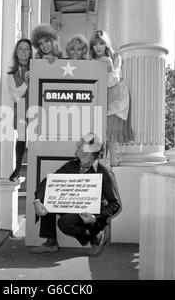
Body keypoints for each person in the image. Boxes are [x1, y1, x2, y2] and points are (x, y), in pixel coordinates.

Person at [30, 133, 121, 256]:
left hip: (92, 214)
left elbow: (115, 204)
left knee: (64, 222)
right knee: (47, 197)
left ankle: (97, 235)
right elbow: (48, 182)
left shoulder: (104, 173)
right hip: (72, 206)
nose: (77, 144)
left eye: (82, 142)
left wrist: (96, 218)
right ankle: (51, 243)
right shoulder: (71, 165)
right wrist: (37, 201)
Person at [89, 30, 134, 166]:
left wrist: (109, 66)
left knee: (111, 131)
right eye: (95, 44)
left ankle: (113, 160)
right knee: (102, 131)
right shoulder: (92, 61)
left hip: (117, 98)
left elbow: (114, 80)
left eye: (101, 43)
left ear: (106, 44)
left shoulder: (115, 58)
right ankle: (103, 161)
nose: (98, 47)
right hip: (100, 97)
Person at [7, 38, 33, 182]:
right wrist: (26, 84)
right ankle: (17, 168)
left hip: (37, 106)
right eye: (20, 49)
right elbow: (15, 96)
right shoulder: (11, 74)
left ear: (30, 52)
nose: (23, 52)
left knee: (36, 136)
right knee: (21, 136)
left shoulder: (37, 67)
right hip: (22, 106)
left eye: (26, 49)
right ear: (16, 52)